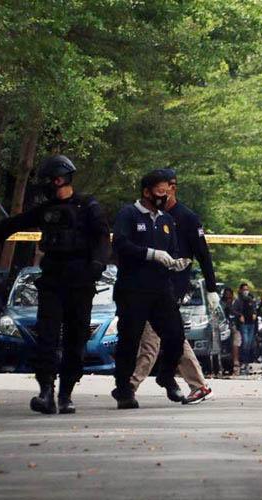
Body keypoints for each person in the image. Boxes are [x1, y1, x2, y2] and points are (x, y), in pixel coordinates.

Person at [0, 155, 110, 415]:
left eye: (50, 181)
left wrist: (97, 265)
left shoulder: (88, 206)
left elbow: (103, 238)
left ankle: (66, 393)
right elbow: (9, 226)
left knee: (76, 338)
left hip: (81, 280)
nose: (47, 185)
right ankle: (45, 392)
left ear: (60, 179)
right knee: (47, 336)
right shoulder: (46, 210)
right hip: (52, 279)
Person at [129, 168, 219, 405]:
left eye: (163, 187)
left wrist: (211, 288)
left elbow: (203, 254)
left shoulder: (186, 218)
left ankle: (130, 385)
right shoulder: (148, 217)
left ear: (172, 188)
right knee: (172, 336)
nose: (158, 193)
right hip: (149, 285)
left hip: (172, 287)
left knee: (153, 338)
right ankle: (191, 384)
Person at [110, 170, 189, 409]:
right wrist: (150, 254)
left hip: (161, 289)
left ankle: (166, 376)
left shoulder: (166, 221)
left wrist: (176, 263)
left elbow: (173, 250)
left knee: (175, 335)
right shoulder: (129, 214)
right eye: (159, 192)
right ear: (146, 192)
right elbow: (120, 244)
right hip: (133, 288)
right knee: (129, 339)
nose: (164, 197)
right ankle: (124, 389)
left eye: (167, 192)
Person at [233, 282, 258, 374]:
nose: (246, 291)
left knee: (250, 343)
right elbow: (234, 310)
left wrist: (255, 313)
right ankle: (243, 361)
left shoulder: (251, 299)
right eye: (244, 290)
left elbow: (255, 308)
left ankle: (247, 362)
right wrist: (240, 315)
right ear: (240, 290)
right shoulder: (238, 300)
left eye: (247, 289)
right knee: (245, 342)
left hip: (251, 323)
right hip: (243, 324)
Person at [221, 287, 241, 375]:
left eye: (229, 294)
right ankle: (226, 364)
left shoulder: (237, 302)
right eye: (226, 294)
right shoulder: (221, 303)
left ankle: (235, 361)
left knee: (236, 343)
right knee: (226, 345)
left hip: (235, 325)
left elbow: (239, 312)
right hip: (224, 327)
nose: (227, 296)